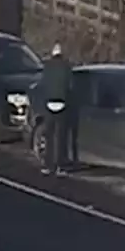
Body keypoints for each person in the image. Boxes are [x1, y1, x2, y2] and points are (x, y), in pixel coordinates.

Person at [36, 43, 74, 176]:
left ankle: (47, 165)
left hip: (49, 104)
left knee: (49, 136)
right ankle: (60, 167)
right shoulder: (67, 66)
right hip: (62, 103)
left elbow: (43, 84)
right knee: (61, 137)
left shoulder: (47, 66)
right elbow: (71, 86)